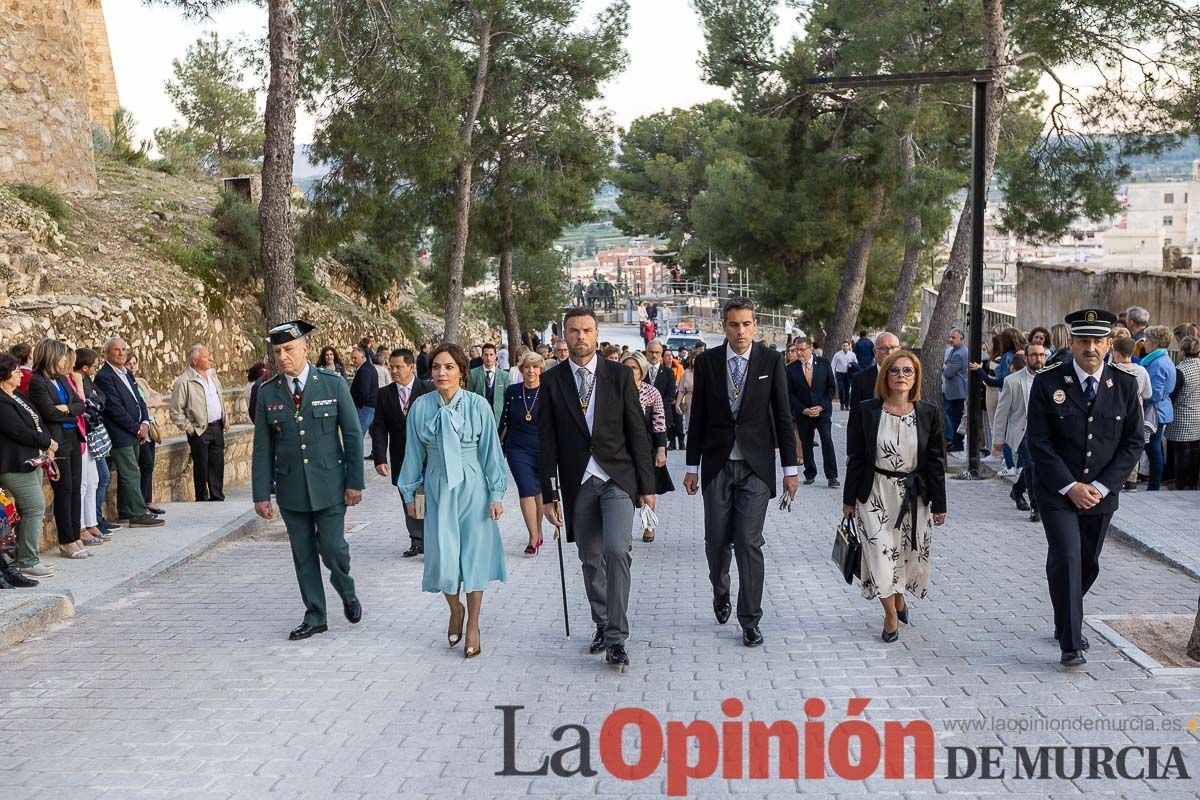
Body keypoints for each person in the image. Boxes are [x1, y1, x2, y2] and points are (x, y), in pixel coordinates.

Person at [539, 307, 655, 669]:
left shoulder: (619, 375)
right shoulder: (552, 379)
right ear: (564, 335)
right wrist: (548, 494)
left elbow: (637, 430)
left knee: (618, 551)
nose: (580, 337)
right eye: (573, 330)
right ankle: (602, 624)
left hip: (617, 478)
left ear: (597, 332)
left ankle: (618, 638)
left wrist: (646, 485)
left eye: (586, 330)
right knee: (590, 558)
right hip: (577, 482)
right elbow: (547, 441)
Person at [1026, 309, 1143, 667]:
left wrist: (1102, 486)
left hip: (1101, 495)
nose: (1090, 348)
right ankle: (1071, 644)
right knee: (1069, 555)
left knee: (1086, 563)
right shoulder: (1048, 382)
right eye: (1083, 340)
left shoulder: (1124, 384)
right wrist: (1069, 485)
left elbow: (1133, 442)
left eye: (1097, 341)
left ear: (1109, 344)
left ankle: (1064, 617)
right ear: (1072, 343)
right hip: (1057, 493)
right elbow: (1039, 442)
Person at [684, 298, 798, 648]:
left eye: (747, 324)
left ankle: (750, 620)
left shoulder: (770, 360)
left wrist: (790, 469)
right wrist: (692, 466)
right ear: (724, 326)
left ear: (755, 324)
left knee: (749, 541)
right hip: (717, 463)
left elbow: (782, 414)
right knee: (717, 541)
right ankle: (721, 590)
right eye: (734, 324)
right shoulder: (707, 363)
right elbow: (697, 416)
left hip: (756, 467)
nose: (741, 331)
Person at [253, 320, 364, 641]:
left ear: (305, 348)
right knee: (303, 555)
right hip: (290, 489)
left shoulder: (332, 384)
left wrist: (354, 481)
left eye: (289, 349)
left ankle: (346, 587)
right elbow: (262, 446)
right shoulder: (267, 392)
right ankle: (315, 615)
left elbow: (353, 435)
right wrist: (261, 493)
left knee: (332, 548)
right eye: (277, 352)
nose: (283, 356)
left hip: (330, 484)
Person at [398, 343, 507, 659]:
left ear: (461, 371)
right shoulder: (420, 407)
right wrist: (409, 492)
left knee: (473, 557)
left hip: (473, 486)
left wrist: (496, 494)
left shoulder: (477, 406)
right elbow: (412, 455)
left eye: (448, 367)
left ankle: (473, 623)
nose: (441, 373)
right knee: (443, 556)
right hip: (437, 487)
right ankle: (454, 608)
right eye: (436, 367)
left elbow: (491, 454)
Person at [843, 350, 947, 643]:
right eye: (895, 371)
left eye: (907, 371)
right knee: (878, 553)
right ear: (885, 376)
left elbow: (936, 463)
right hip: (875, 491)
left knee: (905, 555)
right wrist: (849, 500)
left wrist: (940, 504)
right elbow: (857, 457)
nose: (901, 376)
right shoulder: (867, 410)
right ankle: (890, 613)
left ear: (915, 378)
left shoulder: (928, 412)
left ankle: (899, 594)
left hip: (914, 496)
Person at [27, 339, 96, 556]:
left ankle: (75, 535)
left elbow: (80, 405)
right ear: (51, 356)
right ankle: (66, 541)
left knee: (75, 488)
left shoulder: (63, 380)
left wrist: (66, 408)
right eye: (63, 356)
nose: (66, 360)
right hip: (57, 440)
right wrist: (70, 411)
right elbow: (48, 412)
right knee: (64, 489)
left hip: (73, 436)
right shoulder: (37, 382)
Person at [371, 348, 434, 558]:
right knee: (408, 497)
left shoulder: (428, 390)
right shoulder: (384, 394)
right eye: (392, 367)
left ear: (411, 367)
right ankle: (417, 540)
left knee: (427, 496)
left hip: (428, 456)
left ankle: (431, 538)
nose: (394, 371)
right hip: (401, 456)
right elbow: (379, 428)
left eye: (399, 367)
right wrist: (379, 457)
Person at [94, 338, 162, 528]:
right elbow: (114, 408)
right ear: (107, 353)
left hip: (136, 431)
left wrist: (145, 422)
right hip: (120, 433)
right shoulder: (105, 376)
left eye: (124, 349)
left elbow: (139, 400)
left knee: (131, 473)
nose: (121, 353)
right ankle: (137, 513)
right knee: (130, 472)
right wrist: (135, 427)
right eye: (116, 350)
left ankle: (125, 511)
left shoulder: (127, 373)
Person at [0, 352, 56, 581]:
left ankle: (22, 558)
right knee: (35, 507)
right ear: (3, 374)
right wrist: (45, 442)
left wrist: (47, 444)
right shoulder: (1, 401)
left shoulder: (17, 397)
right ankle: (28, 560)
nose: (19, 374)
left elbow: (37, 421)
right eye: (15, 371)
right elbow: (17, 431)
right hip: (13, 463)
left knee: (29, 510)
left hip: (31, 459)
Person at [622, 351, 674, 542]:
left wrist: (661, 449)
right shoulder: (614, 390)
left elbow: (659, 422)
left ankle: (648, 525)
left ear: (642, 370)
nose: (629, 371)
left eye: (633, 367)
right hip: (622, 448)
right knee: (625, 490)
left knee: (647, 489)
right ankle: (624, 530)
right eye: (626, 367)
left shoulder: (651, 392)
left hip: (647, 447)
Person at [499, 352, 547, 556]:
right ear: (521, 369)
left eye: (535, 367)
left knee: (538, 491)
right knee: (526, 489)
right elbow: (505, 420)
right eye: (527, 367)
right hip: (517, 447)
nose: (531, 371)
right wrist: (496, 446)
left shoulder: (548, 391)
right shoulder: (512, 391)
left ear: (541, 370)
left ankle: (539, 530)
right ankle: (533, 537)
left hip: (542, 448)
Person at [992, 342, 1045, 522]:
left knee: (1037, 466)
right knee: (1031, 465)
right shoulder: (1012, 381)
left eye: (1041, 355)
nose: (1038, 359)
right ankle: (1036, 508)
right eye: (1034, 355)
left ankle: (1017, 490)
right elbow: (1002, 412)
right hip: (1023, 430)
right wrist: (998, 439)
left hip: (1045, 431)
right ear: (1026, 357)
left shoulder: (1049, 378)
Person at [169, 345, 229, 502]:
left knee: (217, 464)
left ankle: (217, 497)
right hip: (199, 429)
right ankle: (201, 499)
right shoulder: (184, 382)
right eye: (205, 357)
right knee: (201, 466)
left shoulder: (213, 376)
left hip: (217, 426)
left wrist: (225, 418)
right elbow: (175, 411)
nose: (210, 359)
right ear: (195, 361)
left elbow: (219, 398)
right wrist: (190, 429)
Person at [786, 337, 838, 488]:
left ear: (811, 349)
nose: (799, 353)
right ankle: (810, 473)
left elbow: (831, 388)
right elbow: (789, 393)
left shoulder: (824, 364)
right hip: (803, 412)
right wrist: (803, 409)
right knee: (806, 443)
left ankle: (832, 476)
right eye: (797, 350)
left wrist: (821, 406)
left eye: (802, 349)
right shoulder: (791, 368)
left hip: (822, 411)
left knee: (827, 440)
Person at [72, 348, 108, 543]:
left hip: (88, 435)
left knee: (93, 480)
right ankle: (81, 526)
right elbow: (85, 404)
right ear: (84, 367)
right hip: (80, 435)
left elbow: (101, 399)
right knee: (83, 484)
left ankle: (91, 522)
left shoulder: (86, 380)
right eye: (94, 366)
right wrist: (89, 400)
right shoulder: (76, 379)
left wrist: (91, 400)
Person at [1109, 336, 1153, 492]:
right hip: (1137, 411)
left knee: (1117, 444)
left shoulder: (1112, 370)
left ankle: (1117, 478)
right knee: (1133, 444)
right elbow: (1148, 393)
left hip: (1116, 412)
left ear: (1116, 353)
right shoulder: (1141, 370)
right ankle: (1132, 481)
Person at [125, 354, 166, 516]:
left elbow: (157, 397)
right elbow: (137, 404)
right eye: (129, 363)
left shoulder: (140, 381)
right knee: (144, 464)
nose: (133, 366)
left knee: (149, 465)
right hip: (138, 430)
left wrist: (146, 404)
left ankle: (147, 500)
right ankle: (142, 502)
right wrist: (146, 405)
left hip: (149, 429)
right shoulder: (126, 383)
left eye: (135, 363)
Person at [1140, 325, 1177, 491]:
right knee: (1155, 448)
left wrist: (1139, 400)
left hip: (1155, 411)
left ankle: (1154, 485)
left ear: (1155, 343)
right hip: (1161, 409)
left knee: (1152, 448)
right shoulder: (1163, 359)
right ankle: (1154, 484)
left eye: (1147, 340)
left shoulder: (1158, 363)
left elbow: (1153, 393)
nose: (1144, 343)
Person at [1166, 336, 1200, 490]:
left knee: (1181, 455)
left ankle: (1180, 484)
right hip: (1197, 415)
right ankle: (1192, 483)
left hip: (1182, 416)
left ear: (1182, 351)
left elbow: (1173, 395)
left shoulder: (1181, 370)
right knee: (1195, 453)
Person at [848, 332, 900, 417]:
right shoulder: (860, 379)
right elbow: (855, 415)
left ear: (899, 350)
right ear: (875, 351)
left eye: (893, 347)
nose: (889, 352)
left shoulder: (909, 377)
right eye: (884, 348)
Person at [467, 343, 511, 425]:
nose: (489, 358)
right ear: (482, 356)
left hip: (498, 417)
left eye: (491, 355)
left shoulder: (504, 376)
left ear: (495, 356)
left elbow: (507, 399)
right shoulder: (473, 374)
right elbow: (469, 397)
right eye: (486, 355)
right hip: (479, 417)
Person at [644, 341, 677, 449]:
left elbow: (671, 395)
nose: (654, 355)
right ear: (646, 352)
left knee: (660, 449)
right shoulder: (640, 370)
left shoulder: (668, 372)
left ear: (661, 353)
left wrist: (657, 406)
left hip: (662, 415)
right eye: (651, 352)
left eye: (657, 352)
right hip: (643, 415)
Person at [942, 328, 969, 452]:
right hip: (953, 390)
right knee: (953, 416)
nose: (950, 340)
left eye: (953, 338)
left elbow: (948, 373)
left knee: (957, 417)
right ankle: (954, 442)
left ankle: (957, 443)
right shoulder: (954, 350)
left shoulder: (960, 353)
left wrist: (943, 365)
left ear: (961, 339)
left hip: (957, 390)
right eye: (950, 337)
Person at [349, 346, 378, 445]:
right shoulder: (368, 367)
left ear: (362, 357)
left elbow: (364, 391)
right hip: (368, 406)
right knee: (374, 433)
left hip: (365, 407)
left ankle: (356, 459)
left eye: (355, 358)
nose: (353, 361)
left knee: (358, 435)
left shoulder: (364, 370)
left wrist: (359, 404)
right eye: (352, 358)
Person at [830, 340, 858, 411]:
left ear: (849, 346)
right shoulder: (837, 355)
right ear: (841, 346)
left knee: (847, 389)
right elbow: (833, 365)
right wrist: (832, 374)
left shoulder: (852, 355)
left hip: (848, 374)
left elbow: (856, 364)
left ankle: (847, 405)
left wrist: (852, 365)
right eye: (844, 346)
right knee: (841, 389)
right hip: (840, 374)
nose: (845, 347)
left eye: (846, 346)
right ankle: (842, 403)